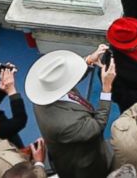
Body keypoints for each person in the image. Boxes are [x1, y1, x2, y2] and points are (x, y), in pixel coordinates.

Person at [24, 49, 115, 178]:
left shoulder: (42, 95)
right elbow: (97, 125)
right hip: (83, 164)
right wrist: (106, 89)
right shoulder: (66, 124)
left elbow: (67, 80)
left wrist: (89, 60)